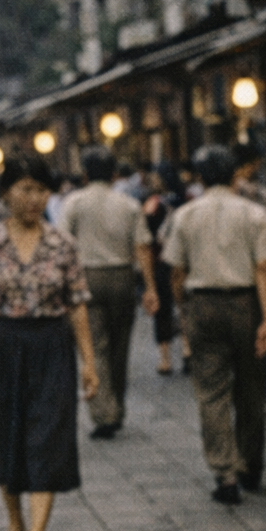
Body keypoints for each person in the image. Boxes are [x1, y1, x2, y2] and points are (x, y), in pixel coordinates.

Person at [0, 156, 98, 531]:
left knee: (48, 430)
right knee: (4, 433)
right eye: (26, 188)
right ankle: (15, 525)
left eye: (41, 190)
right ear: (6, 192)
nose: (34, 198)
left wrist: (88, 361)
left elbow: (78, 304)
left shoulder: (62, 244)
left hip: (51, 345)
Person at [162, 144, 266, 504]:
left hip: (203, 303)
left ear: (199, 177)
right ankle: (251, 464)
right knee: (251, 387)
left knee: (211, 390)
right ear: (235, 175)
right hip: (245, 302)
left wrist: (184, 308)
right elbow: (264, 268)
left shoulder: (184, 215)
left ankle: (224, 473)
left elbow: (177, 271)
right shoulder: (253, 213)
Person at [59, 145, 161, 438]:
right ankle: (117, 406)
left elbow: (65, 245)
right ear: (115, 174)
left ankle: (105, 413)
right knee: (120, 346)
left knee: (94, 346)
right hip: (122, 277)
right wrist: (150, 287)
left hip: (86, 276)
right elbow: (142, 247)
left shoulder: (74, 203)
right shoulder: (128, 205)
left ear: (85, 174)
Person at [143, 163, 186, 375]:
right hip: (184, 260)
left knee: (163, 309)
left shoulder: (153, 203)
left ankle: (166, 359)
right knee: (184, 304)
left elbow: (147, 235)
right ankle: (187, 350)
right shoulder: (185, 200)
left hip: (161, 260)